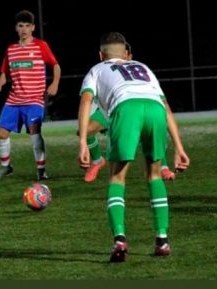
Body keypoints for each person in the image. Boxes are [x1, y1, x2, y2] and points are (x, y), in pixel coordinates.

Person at [77, 32, 190, 262]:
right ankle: (162, 240)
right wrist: (179, 147)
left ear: (101, 54)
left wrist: (82, 142)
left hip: (127, 108)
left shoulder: (96, 70)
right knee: (154, 175)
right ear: (125, 54)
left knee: (118, 178)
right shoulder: (143, 67)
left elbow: (86, 101)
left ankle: (119, 239)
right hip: (155, 110)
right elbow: (166, 107)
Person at [77, 42, 176, 182]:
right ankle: (97, 161)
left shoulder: (139, 69)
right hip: (113, 107)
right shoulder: (105, 69)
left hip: (130, 106)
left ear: (128, 55)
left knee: (145, 128)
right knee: (83, 130)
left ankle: (163, 167)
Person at [0, 10, 61, 181]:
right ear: (16, 28)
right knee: (1, 134)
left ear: (33, 28)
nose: (24, 29)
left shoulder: (40, 46)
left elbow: (55, 65)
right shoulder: (11, 49)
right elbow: (5, 73)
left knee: (35, 132)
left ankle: (41, 169)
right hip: (14, 100)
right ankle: (6, 167)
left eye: (27, 26)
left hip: (34, 99)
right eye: (21, 26)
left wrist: (55, 83)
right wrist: (0, 83)